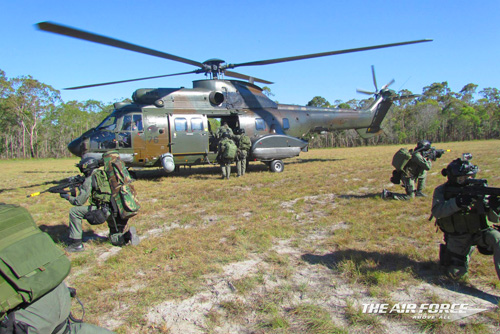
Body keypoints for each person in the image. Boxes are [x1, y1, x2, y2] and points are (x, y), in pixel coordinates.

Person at [0, 204, 114, 333]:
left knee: (74, 211)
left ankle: (78, 243)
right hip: (58, 294)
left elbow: (80, 199)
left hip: (25, 319)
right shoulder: (14, 211)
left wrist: (71, 198)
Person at [431, 157, 500, 279]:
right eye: (462, 178)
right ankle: (459, 254)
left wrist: (494, 207)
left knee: (498, 238)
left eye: (471, 176)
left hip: (480, 232)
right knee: (455, 274)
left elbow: (493, 219)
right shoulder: (442, 191)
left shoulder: (479, 189)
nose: (468, 180)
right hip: (458, 236)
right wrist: (457, 202)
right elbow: (437, 211)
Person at [60, 157, 139, 252]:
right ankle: (127, 236)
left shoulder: (90, 179)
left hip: (103, 210)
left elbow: (79, 202)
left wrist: (68, 197)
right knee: (113, 237)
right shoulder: (107, 175)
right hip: (118, 208)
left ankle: (76, 244)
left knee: (74, 212)